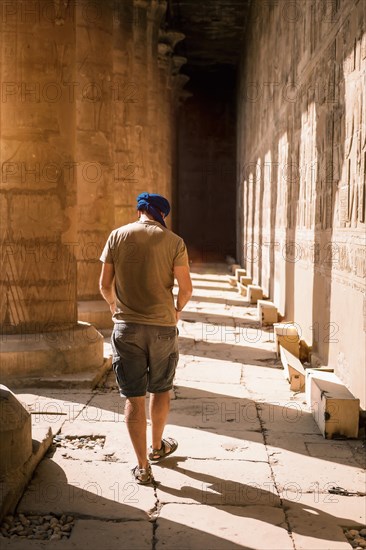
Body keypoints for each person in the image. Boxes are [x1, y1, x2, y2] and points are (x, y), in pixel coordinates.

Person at [99, 192, 192, 484]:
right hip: (163, 328)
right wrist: (176, 310)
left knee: (133, 399)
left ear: (138, 209)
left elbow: (104, 285)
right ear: (162, 214)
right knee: (161, 389)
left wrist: (115, 307)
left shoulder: (116, 236)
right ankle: (156, 447)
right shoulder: (174, 241)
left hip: (126, 328)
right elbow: (186, 288)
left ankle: (142, 467)